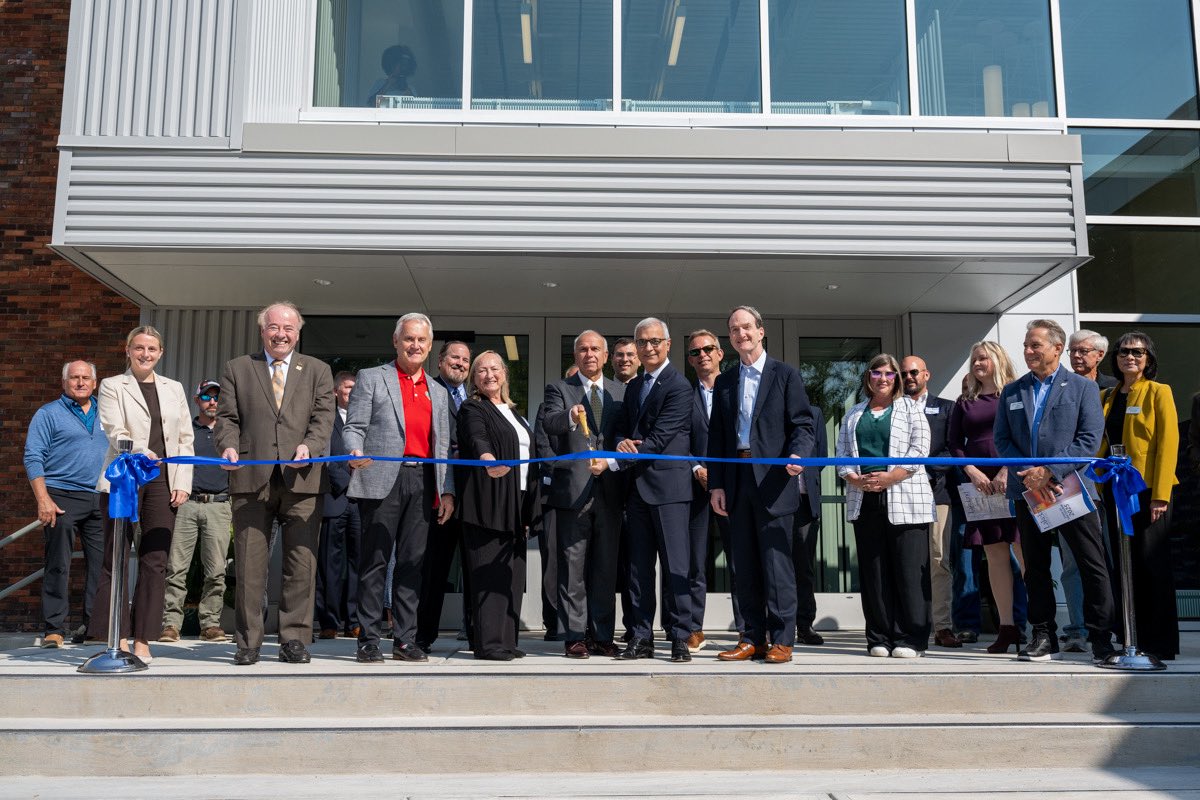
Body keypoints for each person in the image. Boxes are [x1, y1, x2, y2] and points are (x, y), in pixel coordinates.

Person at [215, 301, 335, 666]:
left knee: (301, 564)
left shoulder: (318, 370)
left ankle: (294, 640)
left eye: (288, 329)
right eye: (274, 328)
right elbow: (226, 418)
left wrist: (310, 446)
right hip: (251, 477)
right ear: (262, 330)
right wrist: (229, 446)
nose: (281, 334)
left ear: (297, 333)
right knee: (250, 566)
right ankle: (248, 642)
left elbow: (323, 417)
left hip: (302, 478)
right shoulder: (238, 368)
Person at [994, 319, 1116, 663]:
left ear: (1057, 347)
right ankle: (1043, 634)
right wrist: (1029, 474)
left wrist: (1048, 471)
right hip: (1028, 492)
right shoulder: (1012, 391)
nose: (1028, 351)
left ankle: (1101, 637)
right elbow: (1002, 440)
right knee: (1034, 566)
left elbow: (1089, 440)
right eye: (1026, 345)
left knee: (1091, 564)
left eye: (1036, 345)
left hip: (1071, 488)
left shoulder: (1081, 387)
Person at [343, 313, 455, 664]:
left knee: (412, 564)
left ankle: (405, 640)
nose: (415, 345)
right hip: (380, 478)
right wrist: (353, 451)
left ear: (429, 345)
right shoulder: (372, 378)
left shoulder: (437, 391)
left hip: (422, 481)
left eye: (422, 340)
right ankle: (369, 639)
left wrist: (446, 491)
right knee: (374, 562)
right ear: (396, 341)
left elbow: (444, 447)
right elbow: (354, 427)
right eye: (409, 339)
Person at [709, 306, 817, 665]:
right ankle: (751, 637)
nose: (740, 334)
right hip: (737, 479)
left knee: (776, 564)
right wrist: (717, 486)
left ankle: (783, 638)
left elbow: (803, 425)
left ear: (760, 331)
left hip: (774, 479)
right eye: (734, 330)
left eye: (746, 328)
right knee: (744, 566)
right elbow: (717, 438)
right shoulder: (724, 381)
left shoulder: (785, 375)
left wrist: (797, 456)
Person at [88, 326, 194, 663]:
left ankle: (143, 639)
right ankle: (116, 637)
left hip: (164, 481)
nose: (145, 354)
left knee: (155, 561)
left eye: (151, 349)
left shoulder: (173, 388)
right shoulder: (111, 386)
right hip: (125, 477)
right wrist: (140, 449)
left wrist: (183, 481)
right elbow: (113, 429)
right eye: (139, 348)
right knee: (115, 557)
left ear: (161, 352)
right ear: (128, 350)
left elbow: (185, 438)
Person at [836, 354, 934, 658]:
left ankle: (911, 638)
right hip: (865, 499)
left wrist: (891, 477)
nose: (883, 379)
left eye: (890, 374)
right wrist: (854, 479)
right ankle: (879, 636)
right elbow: (841, 453)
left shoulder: (912, 409)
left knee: (907, 571)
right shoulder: (853, 413)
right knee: (874, 572)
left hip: (905, 497)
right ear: (868, 377)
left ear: (897, 379)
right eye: (877, 373)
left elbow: (920, 450)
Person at [541, 331, 626, 659]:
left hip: (611, 491)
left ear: (606, 356)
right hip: (573, 492)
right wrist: (569, 417)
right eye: (582, 349)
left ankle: (603, 635)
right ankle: (574, 635)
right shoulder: (559, 389)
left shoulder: (621, 391)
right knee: (572, 567)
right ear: (575, 355)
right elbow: (549, 423)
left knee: (606, 568)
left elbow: (625, 434)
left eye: (595, 349)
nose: (589, 354)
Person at [615, 318, 694, 662]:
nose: (648, 347)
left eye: (654, 341)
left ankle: (679, 637)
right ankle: (641, 636)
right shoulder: (633, 387)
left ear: (668, 344)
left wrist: (629, 452)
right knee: (638, 569)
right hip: (637, 490)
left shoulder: (679, 386)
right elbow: (621, 429)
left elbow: (662, 437)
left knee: (676, 567)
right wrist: (619, 442)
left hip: (669, 488)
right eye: (642, 342)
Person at [1098, 332, 1179, 659]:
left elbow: (1168, 444)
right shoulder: (1108, 395)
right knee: (1124, 563)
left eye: (1137, 352)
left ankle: (1159, 641)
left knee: (1151, 563)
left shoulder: (1159, 392)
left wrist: (1160, 495)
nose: (1129, 357)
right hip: (1115, 489)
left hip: (1148, 492)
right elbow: (1100, 444)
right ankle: (1132, 634)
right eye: (1123, 352)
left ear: (1148, 359)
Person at [456, 351, 537, 661]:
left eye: (494, 369)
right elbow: (477, 438)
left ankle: (505, 640)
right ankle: (488, 644)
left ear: (505, 373)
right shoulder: (472, 407)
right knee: (488, 573)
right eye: (481, 370)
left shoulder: (516, 414)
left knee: (511, 575)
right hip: (487, 500)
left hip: (516, 502)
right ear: (474, 379)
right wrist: (487, 459)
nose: (489, 375)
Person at [947, 341, 1026, 654]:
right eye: (974, 359)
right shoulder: (964, 401)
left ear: (997, 359)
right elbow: (954, 444)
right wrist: (972, 472)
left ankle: (1039, 625)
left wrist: (1007, 469)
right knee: (994, 556)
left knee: (1025, 554)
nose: (977, 363)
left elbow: (1024, 436)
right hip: (980, 488)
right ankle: (1006, 628)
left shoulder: (1016, 393)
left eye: (983, 358)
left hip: (1015, 481)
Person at [24, 360, 109, 648]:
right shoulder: (48, 414)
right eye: (74, 378)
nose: (81, 382)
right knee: (58, 564)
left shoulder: (108, 413)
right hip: (61, 496)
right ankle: (54, 629)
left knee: (101, 566)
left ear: (95, 383)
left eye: (86, 378)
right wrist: (43, 498)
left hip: (101, 496)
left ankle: (93, 627)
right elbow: (33, 457)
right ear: (64, 383)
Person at [1059, 329, 1119, 652]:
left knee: (1110, 557)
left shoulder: (1114, 388)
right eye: (1073, 350)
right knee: (1072, 560)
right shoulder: (1061, 387)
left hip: (1113, 485)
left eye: (1084, 351)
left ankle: (1112, 626)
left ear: (1099, 355)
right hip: (1073, 481)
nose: (1077, 356)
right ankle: (1077, 628)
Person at [160, 380, 230, 643]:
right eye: (206, 397)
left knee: (216, 571)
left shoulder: (230, 434)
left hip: (219, 505)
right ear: (196, 399)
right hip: (186, 504)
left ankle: (210, 624)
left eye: (216, 397)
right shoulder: (185, 431)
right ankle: (171, 624)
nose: (212, 402)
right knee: (176, 568)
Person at [417, 341, 473, 651]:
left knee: (474, 568)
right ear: (440, 361)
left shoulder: (476, 396)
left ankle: (475, 633)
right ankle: (423, 636)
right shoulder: (428, 389)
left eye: (466, 360)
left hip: (476, 497)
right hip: (439, 496)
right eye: (455, 357)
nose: (461, 364)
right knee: (434, 570)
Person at [901, 355, 958, 649]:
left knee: (938, 560)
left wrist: (922, 467)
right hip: (900, 494)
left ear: (926, 374)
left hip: (936, 492)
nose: (908, 376)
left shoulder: (947, 408)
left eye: (914, 372)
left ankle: (943, 626)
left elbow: (953, 450)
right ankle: (909, 624)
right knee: (907, 561)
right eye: (904, 373)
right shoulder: (892, 410)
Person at [683, 329, 728, 651]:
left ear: (720, 353)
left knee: (742, 562)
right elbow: (678, 438)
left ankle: (750, 630)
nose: (703, 355)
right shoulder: (684, 395)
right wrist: (697, 468)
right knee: (694, 563)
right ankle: (692, 628)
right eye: (696, 352)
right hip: (695, 488)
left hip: (735, 486)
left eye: (708, 349)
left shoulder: (738, 389)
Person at [315, 371, 361, 640]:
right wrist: (348, 481)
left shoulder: (365, 420)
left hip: (360, 502)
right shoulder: (326, 420)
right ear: (335, 392)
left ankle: (354, 621)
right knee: (329, 566)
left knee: (359, 564)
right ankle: (329, 621)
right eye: (348, 388)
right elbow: (326, 459)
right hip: (334, 499)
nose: (353, 393)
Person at [793, 405, 828, 646]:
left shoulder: (814, 414)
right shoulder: (769, 410)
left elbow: (821, 457)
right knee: (772, 565)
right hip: (772, 501)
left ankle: (804, 625)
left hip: (805, 502)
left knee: (803, 568)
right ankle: (771, 625)